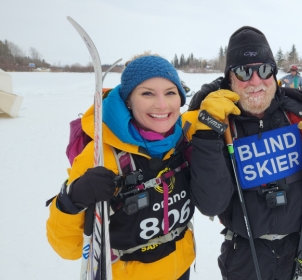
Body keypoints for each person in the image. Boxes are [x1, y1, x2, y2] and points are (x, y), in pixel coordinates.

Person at [184, 26, 302, 280]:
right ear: (229, 78)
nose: (256, 81)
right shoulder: (217, 122)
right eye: (244, 71)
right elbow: (211, 204)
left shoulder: (296, 114)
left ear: (275, 74)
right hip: (245, 254)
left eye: (264, 70)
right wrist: (208, 136)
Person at [46, 55, 195, 280]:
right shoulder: (100, 157)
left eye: (170, 93)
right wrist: (71, 200)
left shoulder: (184, 136)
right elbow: (68, 248)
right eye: (147, 93)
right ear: (128, 100)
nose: (162, 105)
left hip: (181, 268)